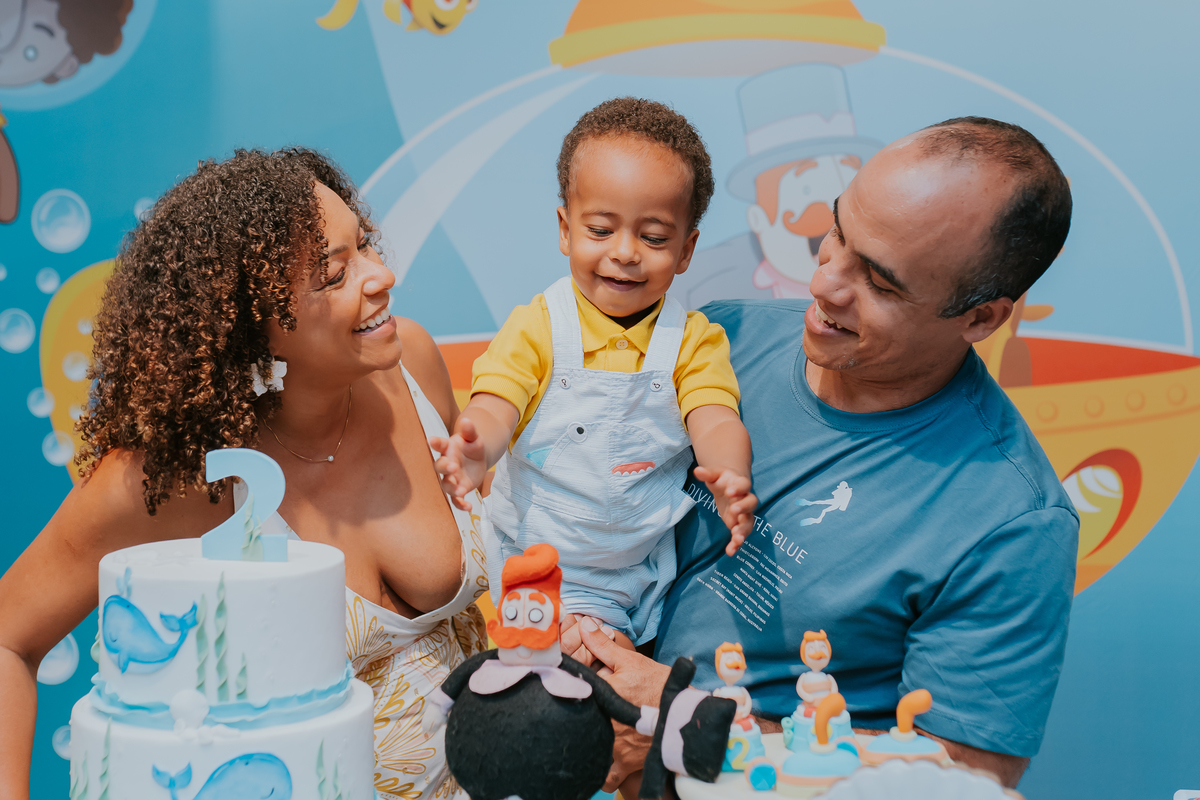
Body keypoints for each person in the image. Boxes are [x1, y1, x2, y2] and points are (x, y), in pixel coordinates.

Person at [565, 116, 1079, 793]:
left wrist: (693, 723)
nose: (824, 285)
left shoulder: (1010, 520)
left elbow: (967, 774)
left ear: (982, 318)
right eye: (836, 233)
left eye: (880, 283)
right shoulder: (719, 339)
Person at [0, 148, 487, 800]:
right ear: (249, 325)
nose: (382, 275)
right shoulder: (181, 481)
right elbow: (7, 642)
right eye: (336, 273)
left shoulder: (412, 365)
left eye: (366, 245)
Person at [430, 98, 759, 652]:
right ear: (565, 229)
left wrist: (729, 472)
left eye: (654, 238)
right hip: (531, 549)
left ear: (686, 249)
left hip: (629, 569)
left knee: (600, 678)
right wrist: (476, 448)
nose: (625, 253)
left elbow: (715, 417)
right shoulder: (539, 325)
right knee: (546, 670)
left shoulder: (692, 341)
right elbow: (496, 402)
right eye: (601, 230)